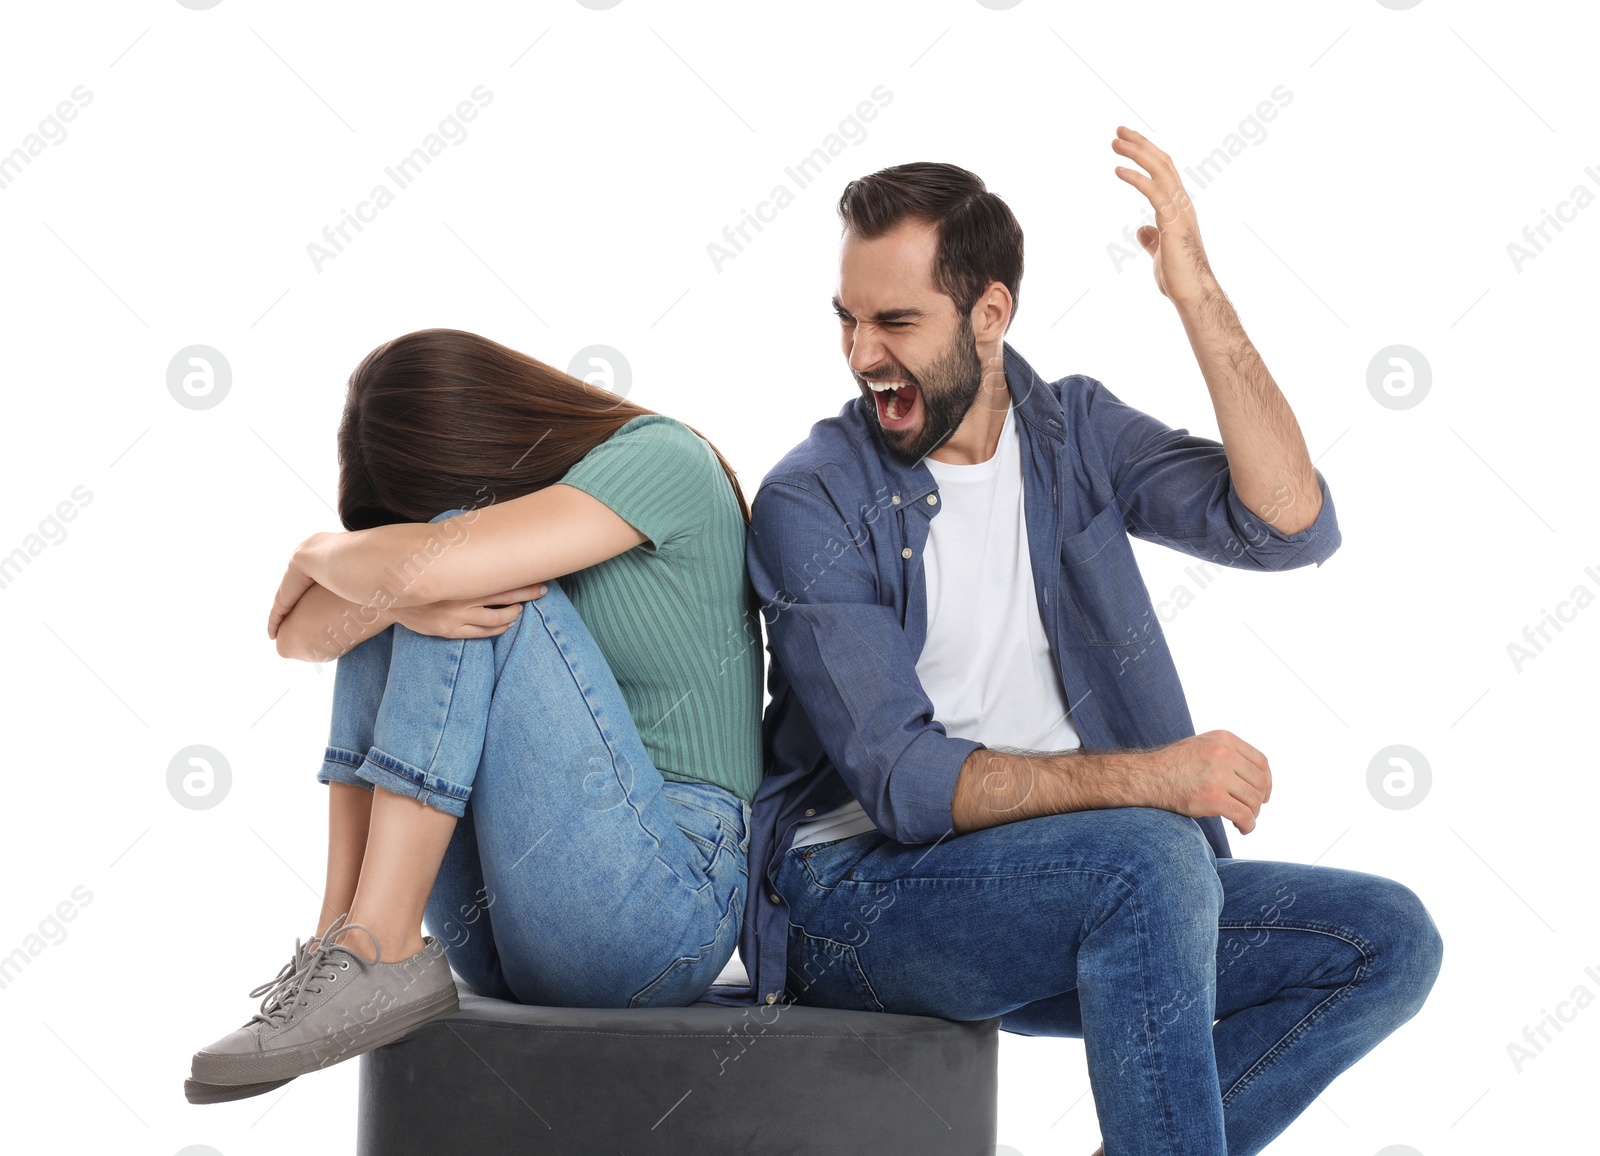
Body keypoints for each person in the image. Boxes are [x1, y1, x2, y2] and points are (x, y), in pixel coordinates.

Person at [725, 137, 1444, 1155]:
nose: (860, 353)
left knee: (1383, 940)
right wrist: (1154, 779)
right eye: (846, 320)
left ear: (989, 314)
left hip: (1093, 879)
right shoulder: (814, 499)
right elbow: (904, 784)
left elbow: (1287, 522)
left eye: (894, 321)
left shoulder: (1075, 435)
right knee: (1148, 857)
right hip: (855, 900)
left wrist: (1197, 298)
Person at [186, 328, 761, 1103]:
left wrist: (318, 551)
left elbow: (433, 565)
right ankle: (343, 941)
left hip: (662, 913)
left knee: (434, 583)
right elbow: (297, 637)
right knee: (395, 593)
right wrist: (368, 572)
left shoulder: (662, 458)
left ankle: (377, 943)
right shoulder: (507, 530)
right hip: (503, 929)